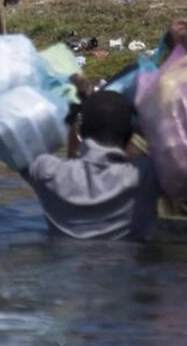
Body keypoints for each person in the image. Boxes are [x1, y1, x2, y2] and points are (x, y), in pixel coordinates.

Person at [20, 88, 158, 240]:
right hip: (130, 259)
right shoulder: (147, 174)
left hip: (63, 260)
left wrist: (71, 122)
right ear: (131, 134)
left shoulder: (47, 172)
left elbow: (15, 143)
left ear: (82, 131)